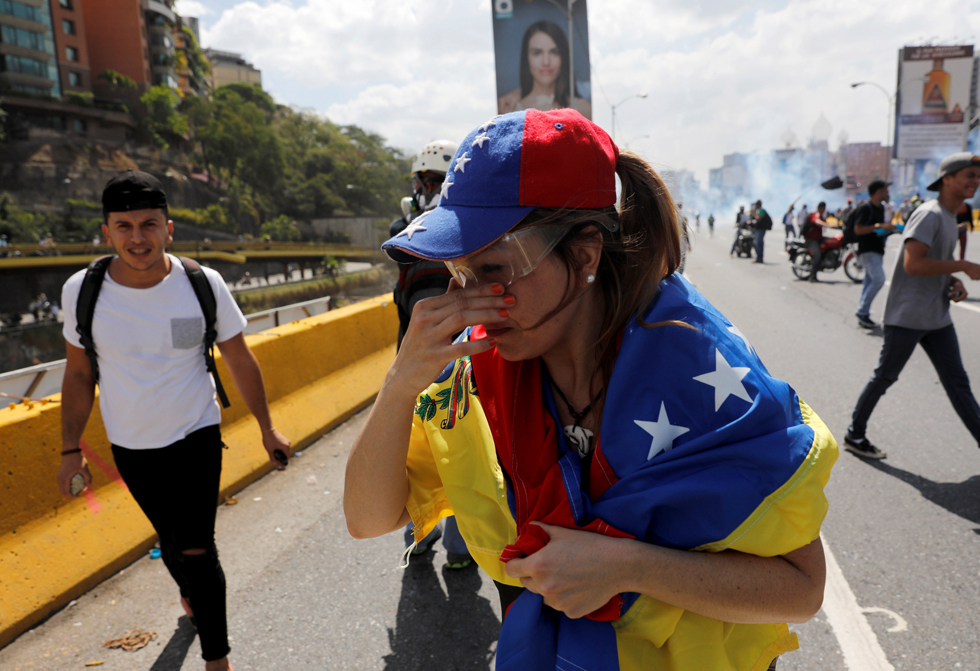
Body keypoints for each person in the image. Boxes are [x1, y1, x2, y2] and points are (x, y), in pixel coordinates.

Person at [345, 109, 835, 670]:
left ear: (582, 255)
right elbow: (368, 518)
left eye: (494, 270)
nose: (473, 299)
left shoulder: (701, 370)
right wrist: (399, 383)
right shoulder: (479, 367)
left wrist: (627, 567)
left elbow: (801, 588)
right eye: (459, 273)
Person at [57, 170, 292, 671]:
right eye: (124, 226)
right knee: (171, 543)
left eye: (148, 224)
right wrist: (69, 448)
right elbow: (78, 375)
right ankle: (194, 596)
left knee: (196, 547)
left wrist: (266, 427)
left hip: (196, 433)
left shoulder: (202, 284)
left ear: (169, 228)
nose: (137, 237)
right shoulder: (83, 290)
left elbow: (239, 359)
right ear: (107, 232)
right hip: (130, 443)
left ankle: (217, 659)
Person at [844, 153, 980, 459]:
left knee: (959, 385)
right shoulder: (929, 214)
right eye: (969, 175)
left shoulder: (949, 216)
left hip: (936, 316)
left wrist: (951, 281)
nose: (975, 181)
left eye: (977, 176)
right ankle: (855, 434)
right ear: (947, 179)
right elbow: (914, 264)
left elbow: (934, 265)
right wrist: (963, 266)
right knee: (885, 377)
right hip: (907, 316)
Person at [389, 140, 473, 570]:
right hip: (438, 359)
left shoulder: (421, 233)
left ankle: (448, 542)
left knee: (442, 453)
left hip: (448, 359)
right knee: (446, 453)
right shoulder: (420, 230)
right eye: (427, 180)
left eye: (436, 180)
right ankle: (446, 542)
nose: (430, 188)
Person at [497, 20, 591, 118]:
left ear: (563, 56)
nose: (546, 62)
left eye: (554, 52)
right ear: (526, 58)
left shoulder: (582, 108)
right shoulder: (509, 111)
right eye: (537, 53)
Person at [852, 180, 896, 329]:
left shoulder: (880, 208)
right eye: (885, 190)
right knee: (879, 279)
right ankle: (862, 311)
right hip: (868, 250)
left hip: (877, 249)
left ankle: (863, 314)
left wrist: (888, 229)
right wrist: (878, 226)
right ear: (878, 192)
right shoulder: (866, 208)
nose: (888, 193)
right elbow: (858, 229)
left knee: (869, 282)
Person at [801, 202, 828, 282]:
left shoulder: (821, 216)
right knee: (817, 255)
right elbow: (817, 222)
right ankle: (812, 276)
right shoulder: (815, 215)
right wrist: (828, 225)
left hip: (819, 239)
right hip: (811, 240)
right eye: (823, 209)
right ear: (820, 208)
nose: (824, 210)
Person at [752, 199, 772, 263]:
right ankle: (759, 257)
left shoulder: (762, 211)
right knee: (757, 243)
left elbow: (758, 219)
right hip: (759, 230)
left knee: (758, 243)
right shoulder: (759, 211)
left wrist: (754, 213)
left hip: (761, 230)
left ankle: (759, 257)